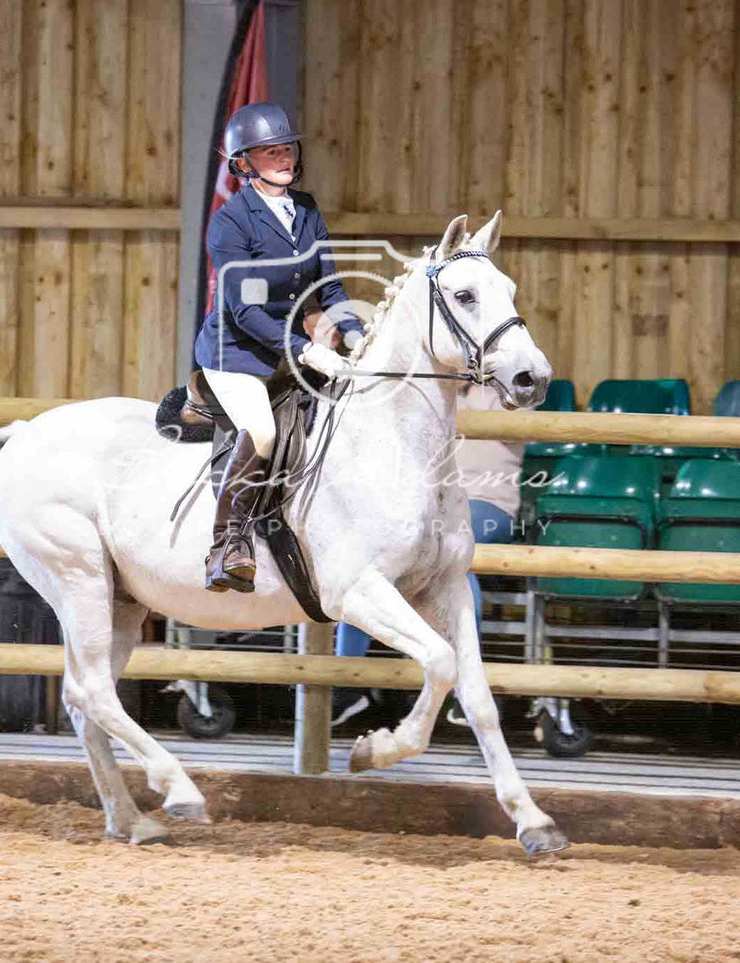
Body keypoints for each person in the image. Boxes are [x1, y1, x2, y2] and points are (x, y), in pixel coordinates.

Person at [192, 101, 364, 593]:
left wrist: (356, 337)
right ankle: (227, 543)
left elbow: (329, 288)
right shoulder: (230, 224)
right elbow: (244, 312)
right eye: (270, 152)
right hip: (238, 354)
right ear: (244, 163)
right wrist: (304, 349)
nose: (284, 158)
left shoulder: (306, 210)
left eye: (287, 148)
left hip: (286, 349)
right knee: (263, 432)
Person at [331, 382, 525, 727]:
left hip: (487, 501)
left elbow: (515, 419)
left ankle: (467, 685)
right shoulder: (434, 384)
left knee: (456, 563)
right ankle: (349, 685)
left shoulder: (505, 386)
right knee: (363, 564)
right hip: (424, 501)